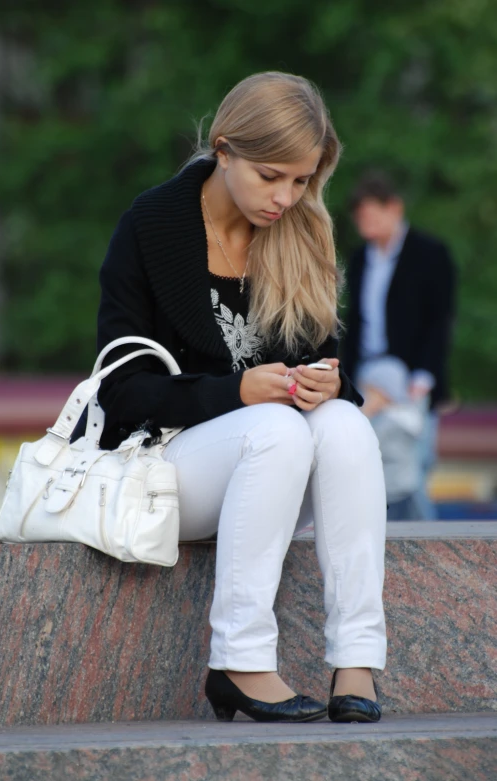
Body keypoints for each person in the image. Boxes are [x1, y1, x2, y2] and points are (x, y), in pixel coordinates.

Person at [96, 72, 386, 724]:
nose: (286, 196)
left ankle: (356, 658)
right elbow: (120, 392)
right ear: (223, 150)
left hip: (275, 470)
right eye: (270, 176)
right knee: (274, 428)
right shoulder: (150, 226)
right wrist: (237, 391)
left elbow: (326, 359)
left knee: (343, 422)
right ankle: (239, 661)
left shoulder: (302, 229)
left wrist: (324, 383)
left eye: (302, 179)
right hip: (167, 471)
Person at [341, 172, 456, 519]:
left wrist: (423, 376)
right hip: (366, 376)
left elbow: (440, 320)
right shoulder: (360, 258)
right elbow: (354, 324)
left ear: (394, 208)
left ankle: (432, 554)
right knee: (368, 464)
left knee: (413, 468)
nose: (366, 225)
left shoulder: (430, 253)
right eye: (360, 218)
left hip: (410, 377)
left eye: (372, 215)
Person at [358, 356, 425, 521]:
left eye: (369, 391)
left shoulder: (392, 420)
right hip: (398, 490)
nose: (364, 396)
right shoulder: (399, 415)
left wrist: (364, 413)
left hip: (394, 492)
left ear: (385, 390)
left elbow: (365, 445)